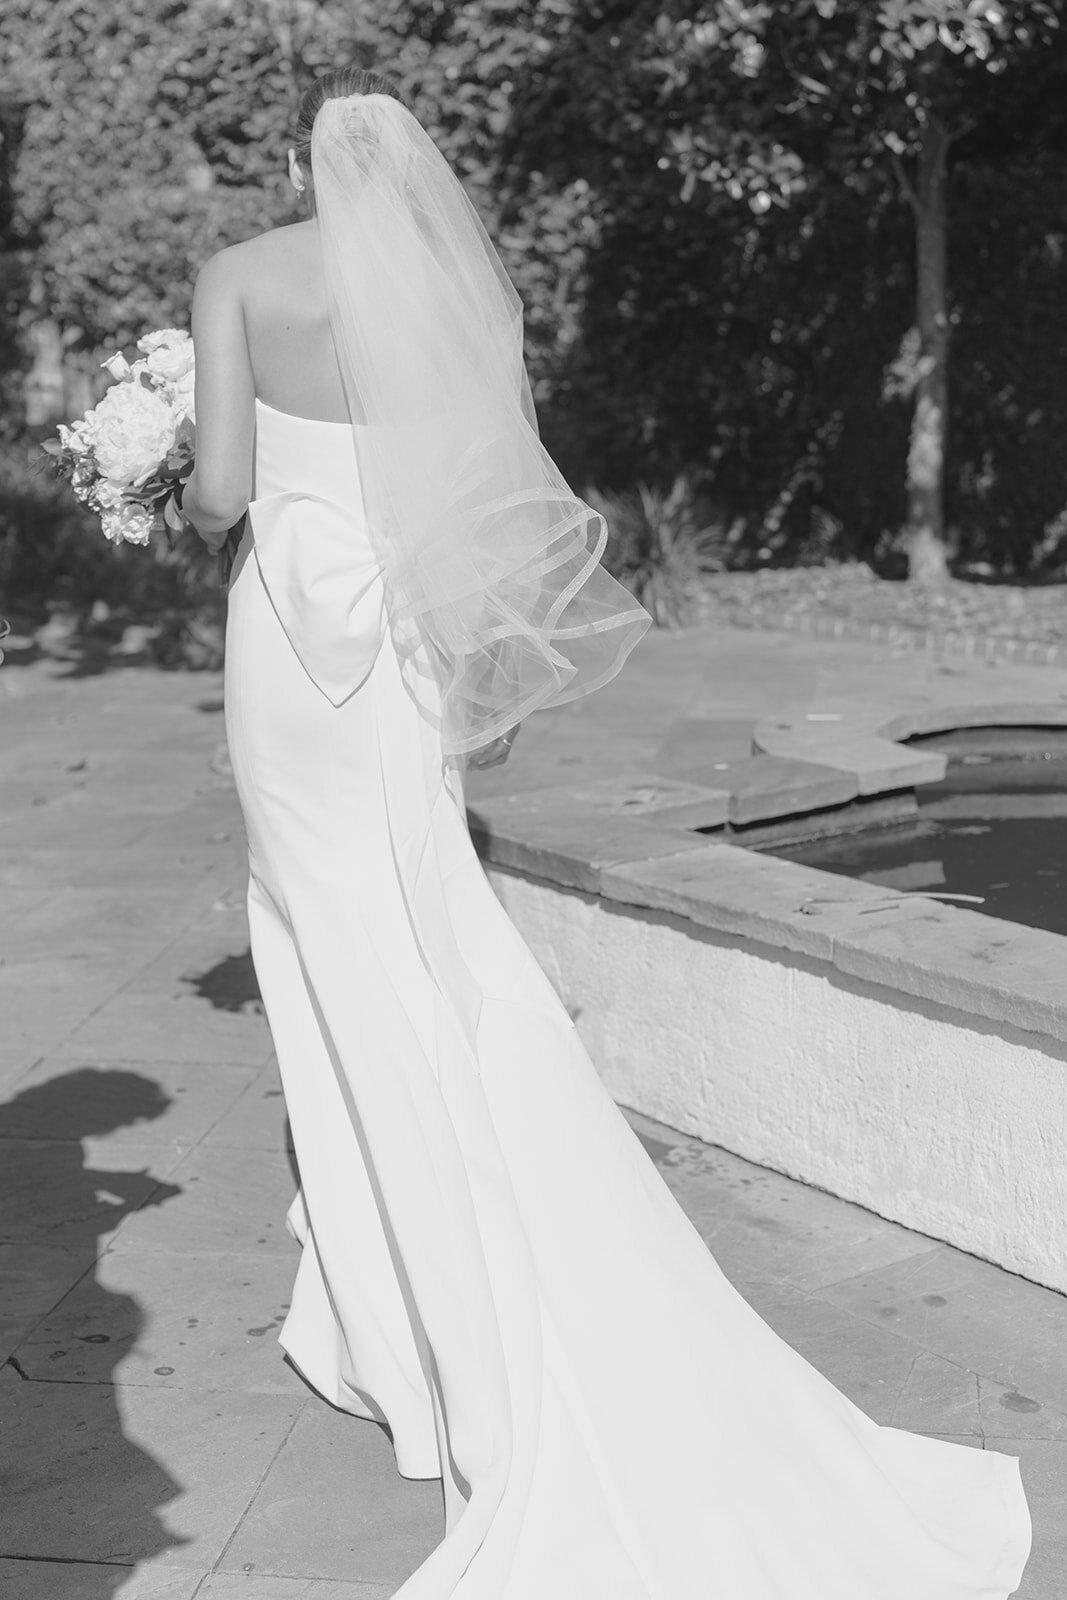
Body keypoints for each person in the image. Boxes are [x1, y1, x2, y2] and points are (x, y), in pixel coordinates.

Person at [176, 66, 1031, 1599]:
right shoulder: (447, 312)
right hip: (402, 665)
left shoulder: (238, 275)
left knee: (320, 945)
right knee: (429, 932)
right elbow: (470, 509)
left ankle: (409, 1338)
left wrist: (158, 471)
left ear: (308, 163)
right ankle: (447, 1299)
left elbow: (225, 492)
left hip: (287, 674)